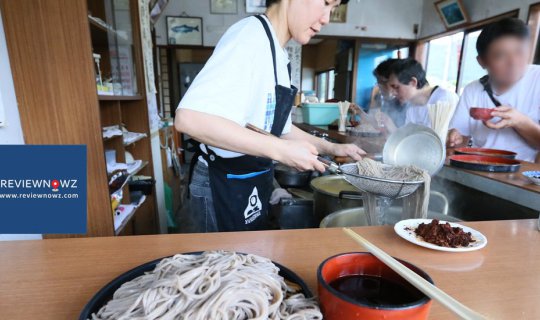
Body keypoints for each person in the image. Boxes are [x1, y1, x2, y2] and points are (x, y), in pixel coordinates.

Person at [174, 0, 365, 232]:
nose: (327, 18)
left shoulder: (277, 52)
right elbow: (191, 118)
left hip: (249, 182)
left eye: (332, 9)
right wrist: (281, 151)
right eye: (325, 3)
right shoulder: (249, 37)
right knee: (221, 266)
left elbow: (280, 130)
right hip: (221, 184)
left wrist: (332, 149)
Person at [447, 18, 540, 162]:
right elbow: (461, 141)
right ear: (482, 61)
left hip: (526, 177)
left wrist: (520, 121)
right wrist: (454, 139)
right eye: (500, 55)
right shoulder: (473, 90)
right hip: (479, 169)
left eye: (519, 52)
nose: (513, 62)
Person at [387, 58, 459, 128]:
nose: (392, 93)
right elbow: (409, 137)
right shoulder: (411, 107)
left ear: (413, 82)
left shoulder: (445, 99)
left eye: (396, 87)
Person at [370, 58, 408, 130]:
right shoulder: (390, 101)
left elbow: (410, 139)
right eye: (378, 83)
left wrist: (390, 124)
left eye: (380, 83)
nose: (379, 87)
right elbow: (377, 125)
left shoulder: (413, 105)